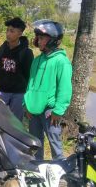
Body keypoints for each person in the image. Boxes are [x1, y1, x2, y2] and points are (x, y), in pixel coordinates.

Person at [24, 20, 72, 160]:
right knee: (35, 143)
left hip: (50, 113)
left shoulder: (61, 62)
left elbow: (65, 88)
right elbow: (30, 84)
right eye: (37, 37)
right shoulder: (37, 60)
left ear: (53, 40)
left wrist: (58, 110)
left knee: (55, 145)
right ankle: (38, 170)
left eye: (42, 38)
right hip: (33, 110)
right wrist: (25, 104)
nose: (38, 41)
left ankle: (60, 173)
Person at [0, 17, 34, 121]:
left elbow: (29, 75)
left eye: (12, 31)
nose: (8, 33)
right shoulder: (2, 49)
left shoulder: (26, 53)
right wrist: (1, 82)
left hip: (19, 93)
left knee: (15, 122)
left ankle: (13, 138)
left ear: (20, 33)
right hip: (3, 91)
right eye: (7, 30)